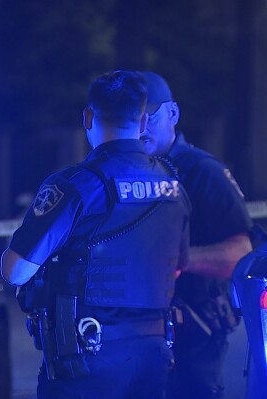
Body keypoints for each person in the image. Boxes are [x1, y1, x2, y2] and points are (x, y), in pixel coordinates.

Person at [1, 70, 191, 399]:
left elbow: (16, 271)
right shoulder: (173, 184)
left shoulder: (75, 185)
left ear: (88, 117)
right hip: (155, 354)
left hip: (88, 357)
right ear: (143, 122)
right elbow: (179, 263)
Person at [140, 71, 253, 399]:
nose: (142, 127)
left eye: (151, 116)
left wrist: (179, 259)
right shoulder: (125, 172)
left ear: (172, 114)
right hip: (135, 335)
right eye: (134, 118)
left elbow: (241, 254)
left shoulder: (203, 172)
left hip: (194, 335)